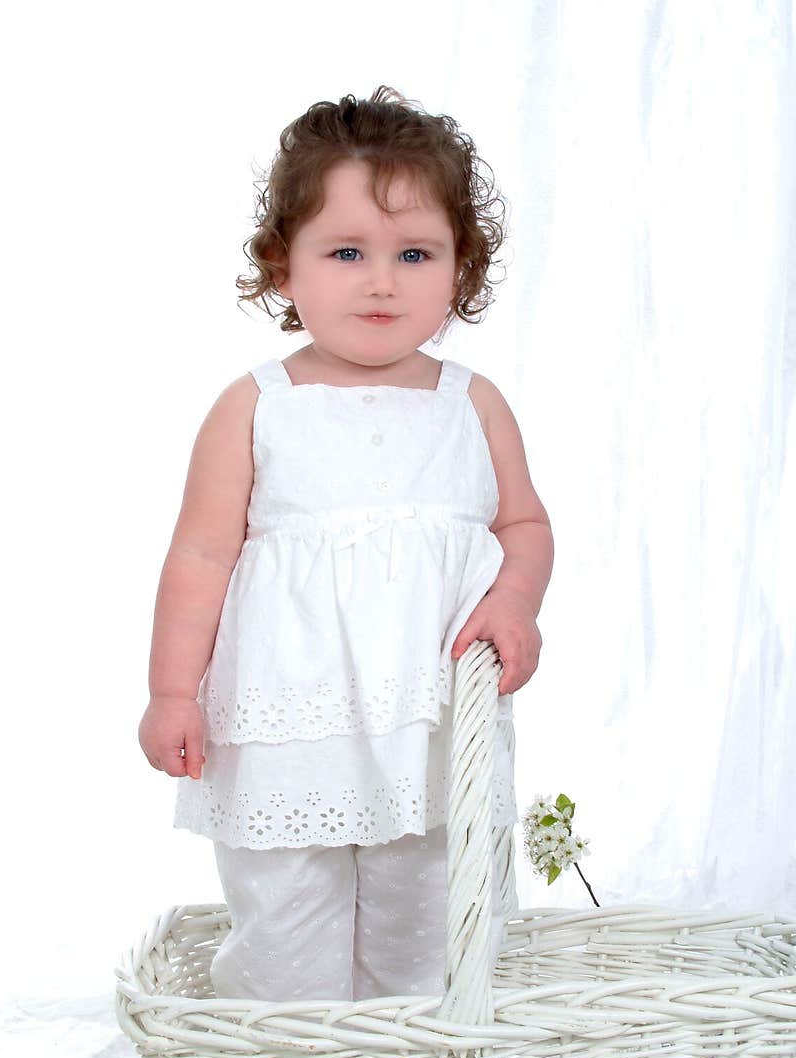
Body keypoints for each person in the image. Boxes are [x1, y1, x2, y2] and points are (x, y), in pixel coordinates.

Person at [138, 85, 554, 1003]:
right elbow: (201, 559)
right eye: (346, 252)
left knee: (434, 929)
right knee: (285, 932)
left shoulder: (470, 406)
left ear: (461, 268)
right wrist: (172, 691)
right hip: (288, 726)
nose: (382, 280)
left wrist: (514, 600)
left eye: (415, 253)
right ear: (284, 267)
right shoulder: (257, 406)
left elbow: (521, 522)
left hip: (430, 723)